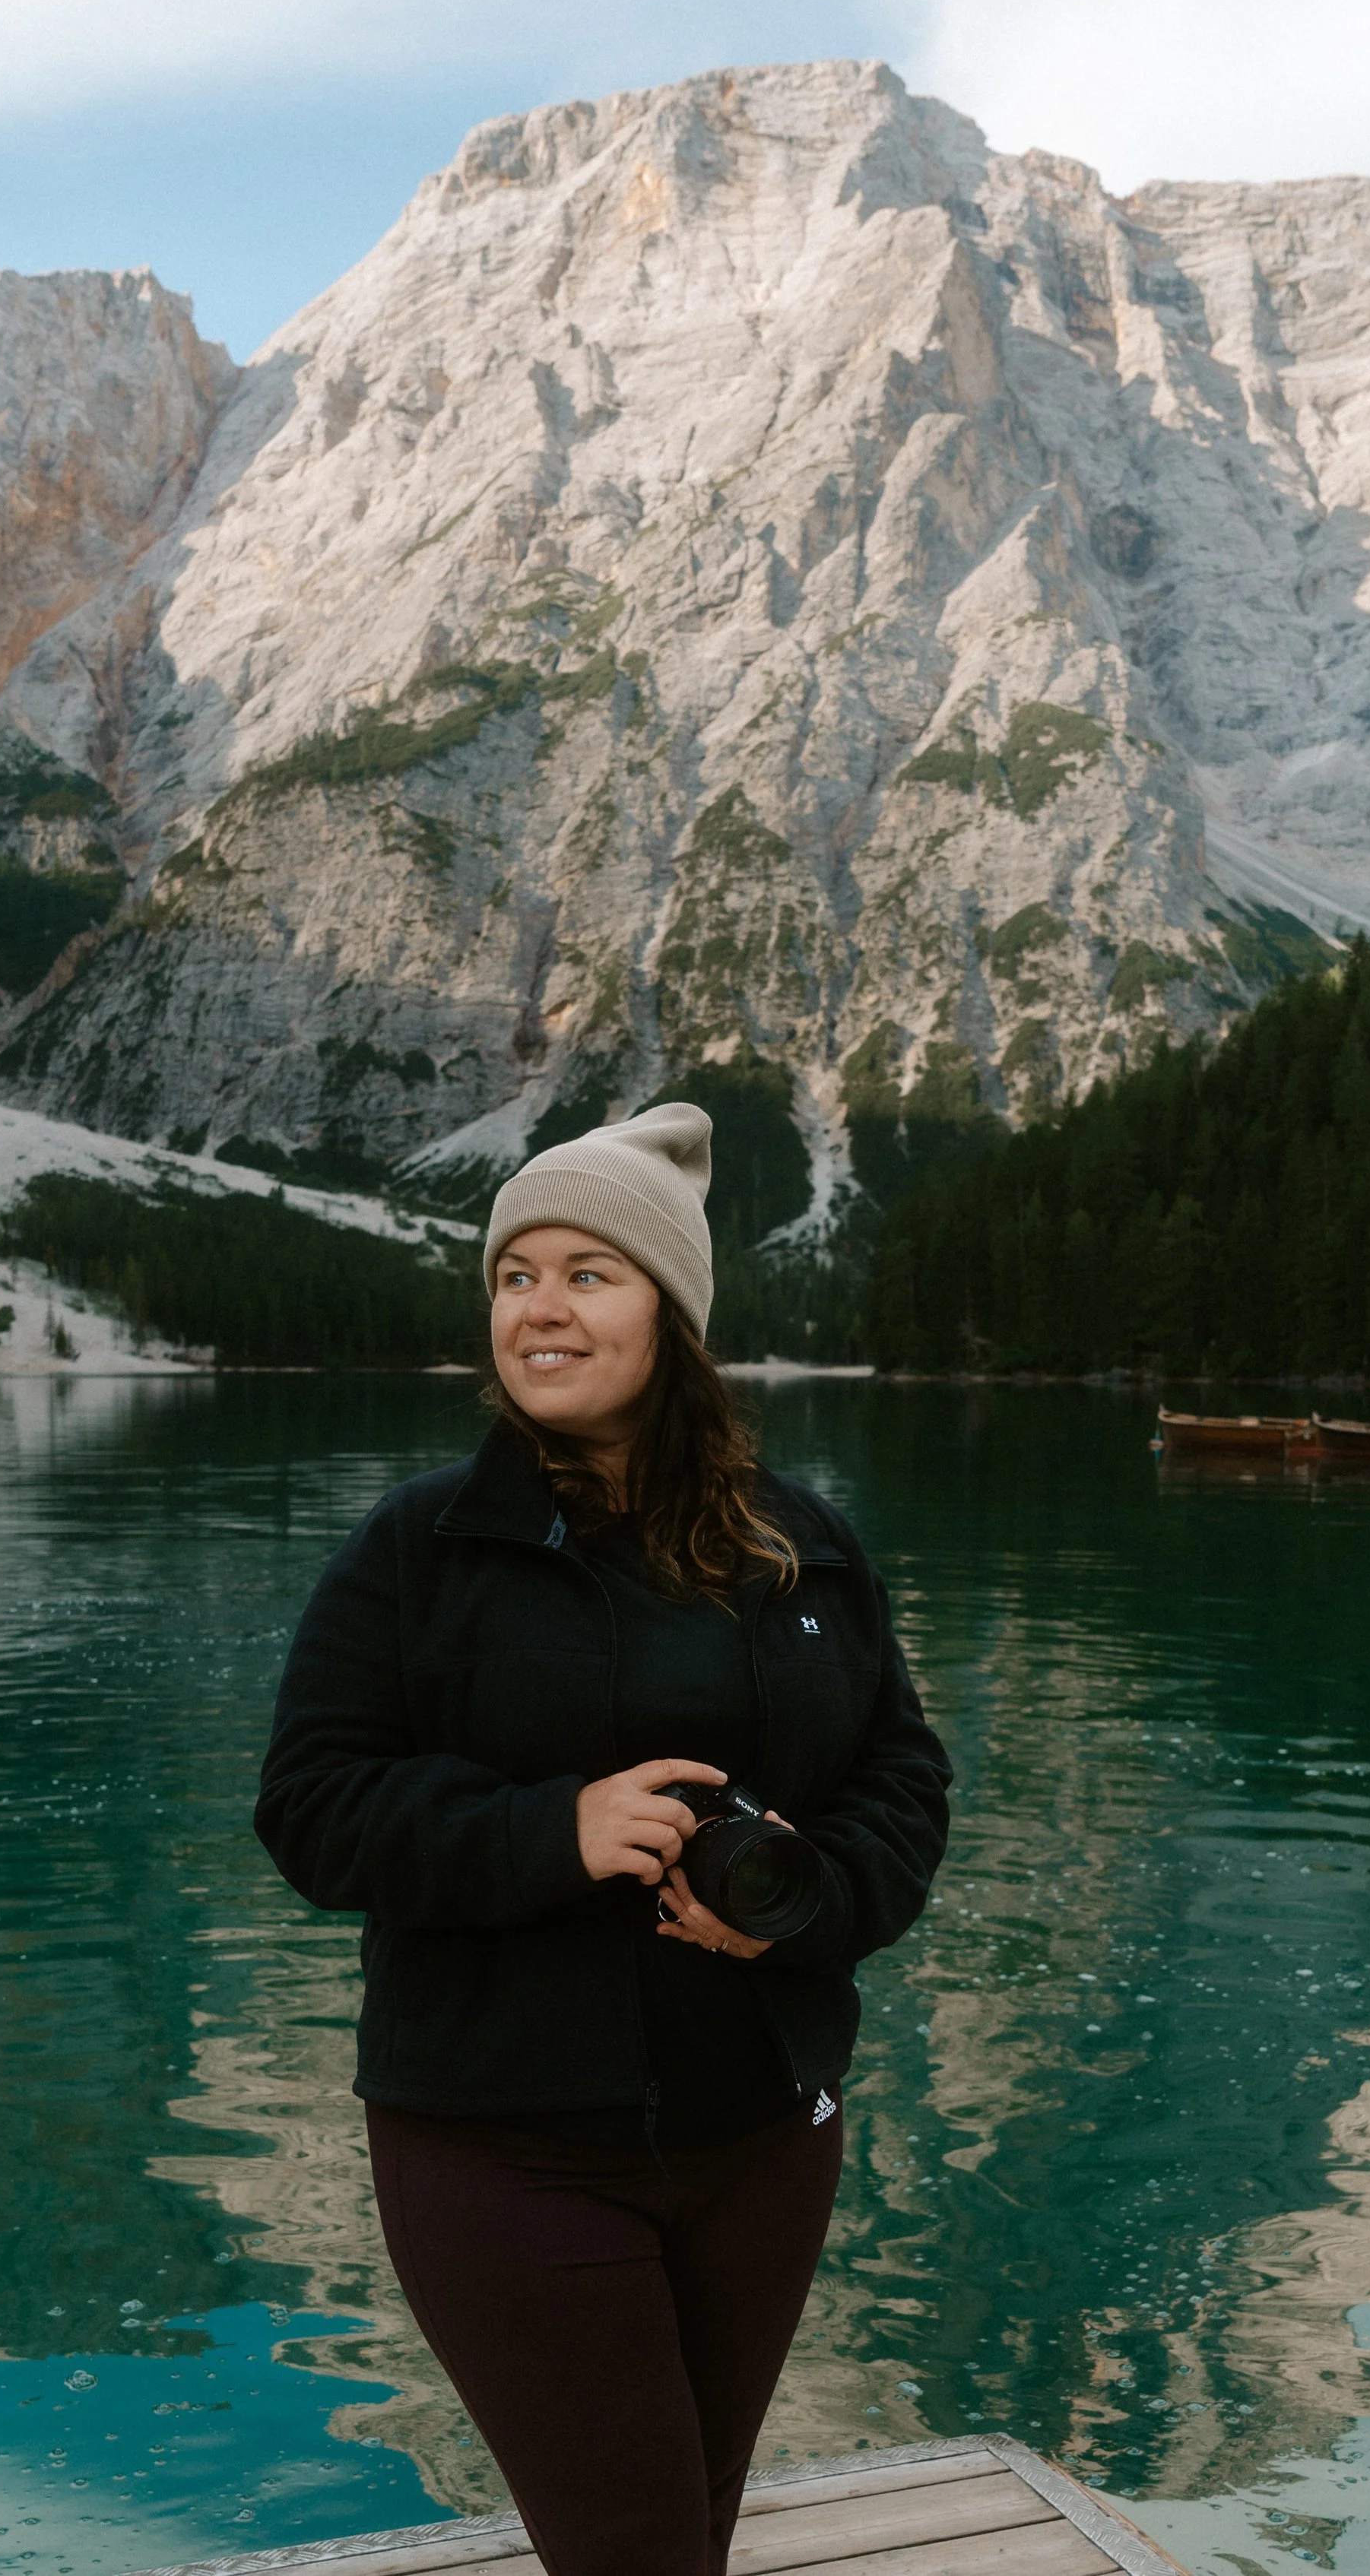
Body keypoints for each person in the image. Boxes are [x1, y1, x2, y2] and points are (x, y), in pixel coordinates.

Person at [255, 1102, 950, 2576]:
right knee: (634, 2545)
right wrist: (548, 1830)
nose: (541, 1310)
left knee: (684, 2522)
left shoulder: (800, 1541)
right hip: (502, 2144)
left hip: (764, 2133)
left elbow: (901, 1775)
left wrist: (807, 1900)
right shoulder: (416, 1552)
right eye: (515, 1277)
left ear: (671, 1314)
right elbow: (311, 1810)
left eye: (588, 1272)